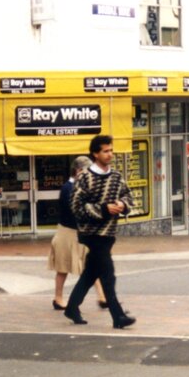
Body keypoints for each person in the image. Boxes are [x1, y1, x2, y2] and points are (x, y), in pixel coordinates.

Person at [63, 135, 136, 329]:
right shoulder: (85, 177)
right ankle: (118, 316)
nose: (110, 154)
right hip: (92, 234)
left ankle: (71, 307)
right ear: (95, 153)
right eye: (105, 151)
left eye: (111, 150)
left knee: (91, 273)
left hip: (108, 233)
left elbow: (129, 196)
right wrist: (104, 209)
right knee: (108, 274)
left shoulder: (116, 177)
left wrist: (122, 204)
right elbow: (76, 206)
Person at [49, 155, 107, 310]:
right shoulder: (68, 188)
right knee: (63, 268)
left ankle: (102, 296)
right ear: (78, 171)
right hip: (68, 233)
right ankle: (58, 298)